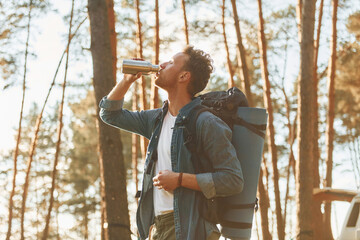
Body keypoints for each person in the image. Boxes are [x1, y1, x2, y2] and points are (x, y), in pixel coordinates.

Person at [99, 46, 244, 240]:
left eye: (171, 62)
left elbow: (233, 180)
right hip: (157, 228)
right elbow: (109, 114)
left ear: (184, 76)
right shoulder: (157, 120)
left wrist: (179, 179)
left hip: (190, 228)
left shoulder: (206, 122)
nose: (162, 64)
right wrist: (127, 81)